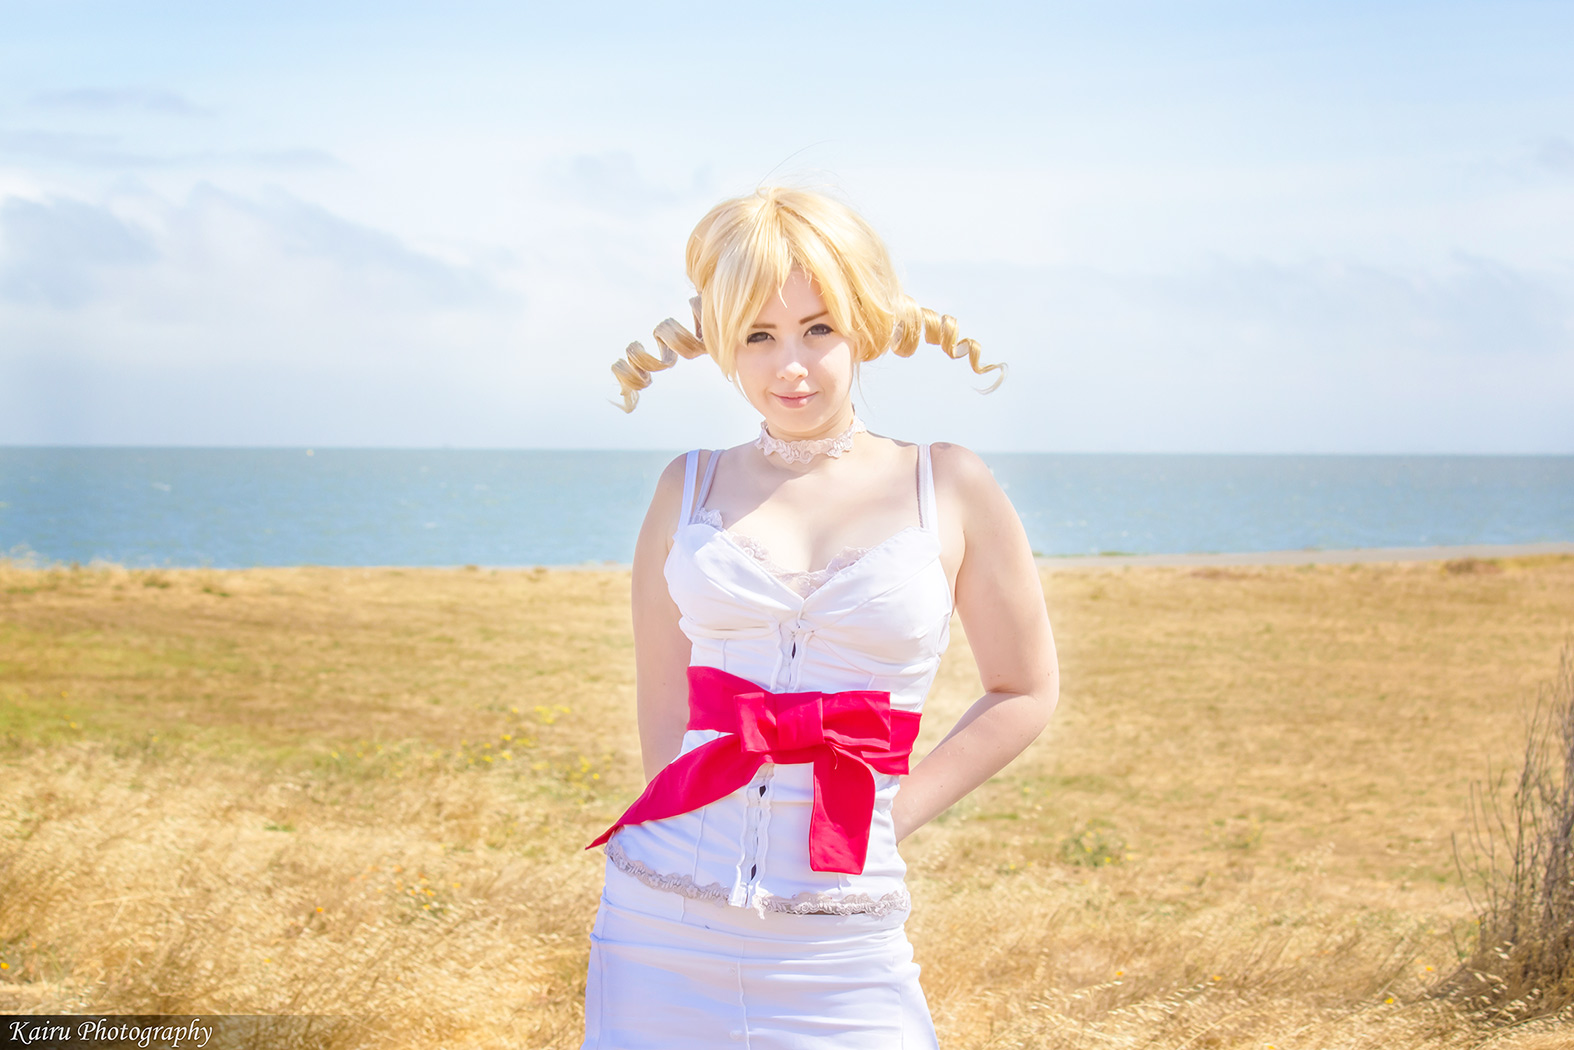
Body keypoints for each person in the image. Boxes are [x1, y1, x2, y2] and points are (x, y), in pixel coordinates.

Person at [582, 186, 1059, 1049]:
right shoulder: (685, 486)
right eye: (758, 336)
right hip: (659, 919)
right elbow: (666, 702)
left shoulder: (948, 484)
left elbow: (1024, 689)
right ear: (723, 343)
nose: (790, 367)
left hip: (841, 927)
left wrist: (890, 818)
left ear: (864, 327)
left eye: (818, 329)